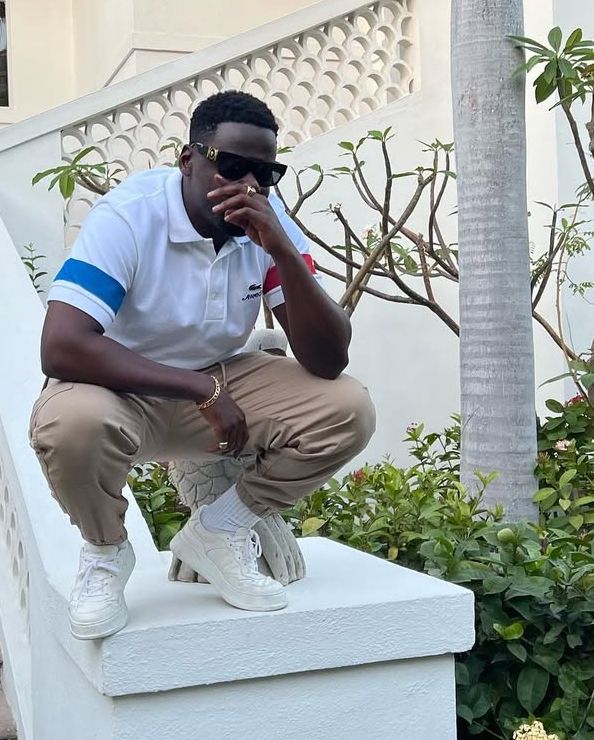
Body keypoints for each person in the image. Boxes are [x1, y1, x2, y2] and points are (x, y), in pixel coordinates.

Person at [30, 91, 376, 639]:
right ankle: (105, 552)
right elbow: (62, 345)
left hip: (218, 380)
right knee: (69, 424)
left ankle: (220, 529)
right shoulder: (130, 215)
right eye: (232, 167)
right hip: (119, 389)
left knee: (348, 408)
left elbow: (328, 359)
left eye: (266, 174)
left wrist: (284, 252)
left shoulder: (268, 225)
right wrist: (198, 389)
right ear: (188, 161)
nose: (249, 186)